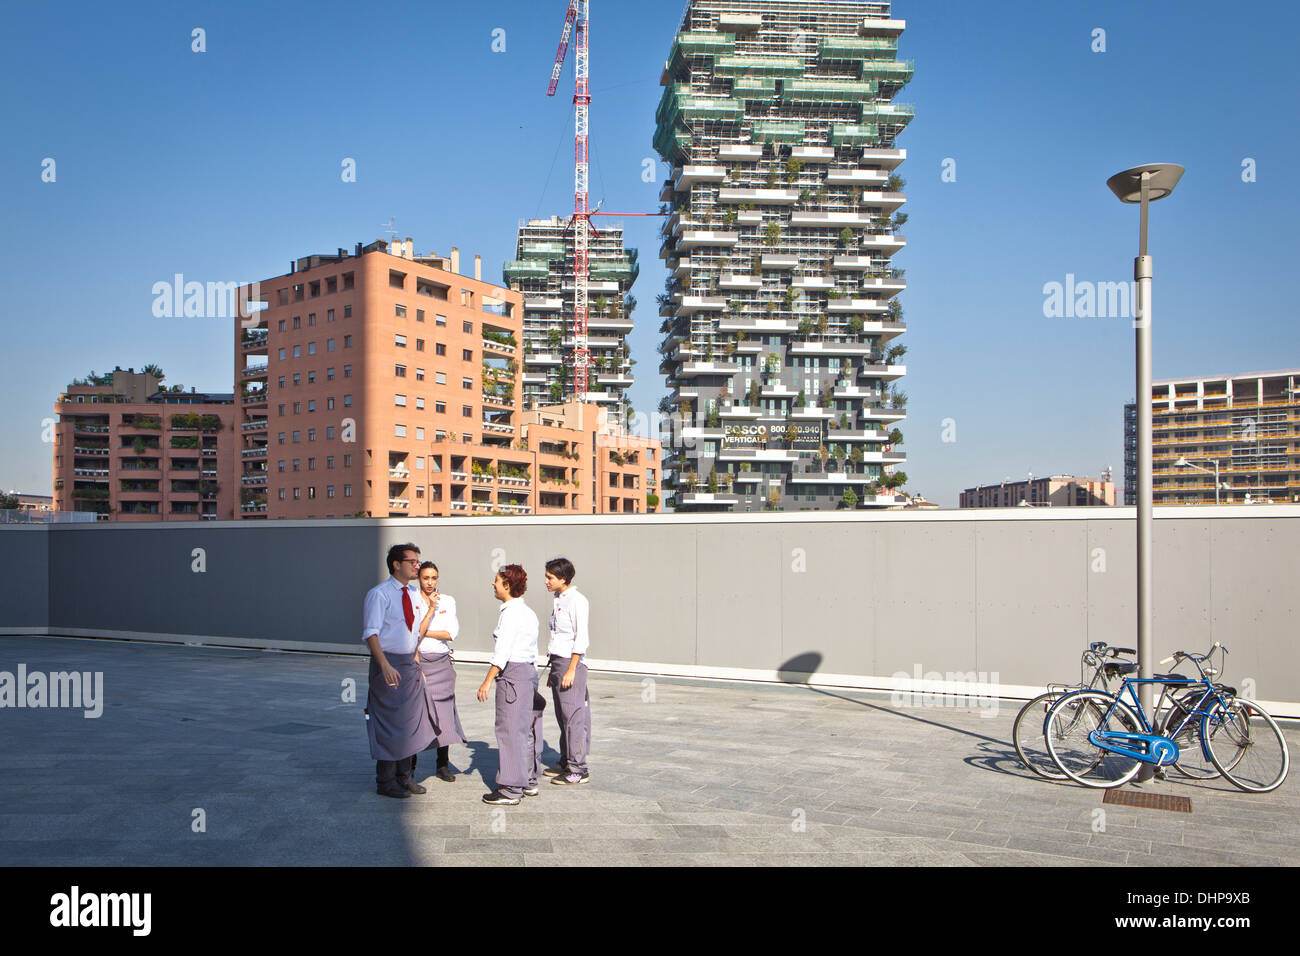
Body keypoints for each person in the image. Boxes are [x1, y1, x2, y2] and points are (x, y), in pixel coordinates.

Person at [362, 543, 437, 798]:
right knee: (388, 722)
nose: (417, 565)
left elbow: (415, 631)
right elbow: (371, 633)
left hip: (409, 663)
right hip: (388, 663)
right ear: (396, 564)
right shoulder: (379, 594)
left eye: (418, 561)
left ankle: (406, 777)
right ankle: (385, 781)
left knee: (410, 723)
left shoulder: (414, 593)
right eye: (412, 562)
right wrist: (384, 665)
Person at [477, 565, 544, 806]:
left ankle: (511, 789)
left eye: (496, 581)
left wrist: (486, 681)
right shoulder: (528, 612)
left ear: (507, 585)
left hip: (512, 675)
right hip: (526, 673)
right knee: (524, 730)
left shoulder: (511, 613)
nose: (492, 584)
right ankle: (528, 781)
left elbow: (502, 651)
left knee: (509, 731)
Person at [412, 561, 467, 783]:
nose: (430, 582)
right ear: (419, 579)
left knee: (444, 714)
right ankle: (410, 767)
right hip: (419, 660)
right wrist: (422, 632)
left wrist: (424, 632)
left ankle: (442, 764)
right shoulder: (413, 600)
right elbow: (412, 634)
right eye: (426, 578)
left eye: (433, 578)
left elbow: (451, 632)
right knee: (417, 714)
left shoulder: (447, 601)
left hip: (441, 662)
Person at [543, 557, 591, 786]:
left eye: (550, 577)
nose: (546, 581)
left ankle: (578, 769)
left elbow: (580, 638)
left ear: (563, 578)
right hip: (558, 662)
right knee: (563, 717)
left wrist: (571, 669)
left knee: (573, 717)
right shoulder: (558, 599)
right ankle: (566, 761)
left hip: (571, 664)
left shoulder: (577, 601)